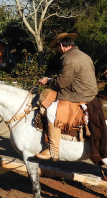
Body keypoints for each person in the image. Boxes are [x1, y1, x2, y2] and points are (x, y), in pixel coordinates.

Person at [35, 32, 97, 160]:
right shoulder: (83, 55)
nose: (57, 50)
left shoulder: (69, 59)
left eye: (57, 47)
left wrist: (49, 80)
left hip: (78, 94)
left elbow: (62, 82)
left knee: (51, 111)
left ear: (62, 45)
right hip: (89, 91)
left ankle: (53, 151)